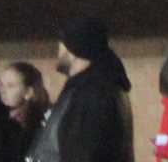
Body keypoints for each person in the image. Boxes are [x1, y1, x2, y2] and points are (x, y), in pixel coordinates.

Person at [38, 23, 130, 162]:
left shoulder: (95, 93)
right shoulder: (86, 87)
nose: (59, 51)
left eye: (62, 45)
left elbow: (84, 149)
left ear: (75, 49)